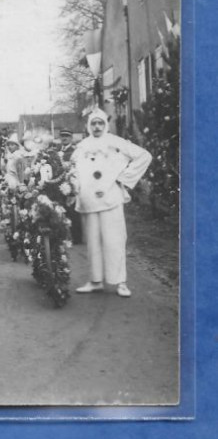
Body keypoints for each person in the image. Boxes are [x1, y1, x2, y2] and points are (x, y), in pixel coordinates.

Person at [72, 107, 152, 298]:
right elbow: (74, 170)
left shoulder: (116, 142)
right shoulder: (82, 146)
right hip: (89, 201)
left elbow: (144, 156)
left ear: (105, 124)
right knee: (93, 242)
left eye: (100, 123)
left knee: (114, 240)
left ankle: (120, 282)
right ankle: (95, 280)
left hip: (111, 199)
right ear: (89, 126)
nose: (97, 126)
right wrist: (75, 185)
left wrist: (123, 178)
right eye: (94, 123)